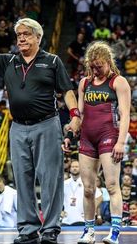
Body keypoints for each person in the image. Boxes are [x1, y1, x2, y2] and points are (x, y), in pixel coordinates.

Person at [0, 10, 80, 244]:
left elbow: (68, 91)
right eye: (19, 35)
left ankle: (51, 228)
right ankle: (28, 229)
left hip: (47, 124)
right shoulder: (9, 61)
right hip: (18, 128)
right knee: (22, 179)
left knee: (50, 178)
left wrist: (74, 115)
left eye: (26, 35)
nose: (21, 38)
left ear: (38, 38)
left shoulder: (52, 61)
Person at [77, 41, 131, 244]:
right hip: (87, 138)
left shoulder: (118, 82)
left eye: (99, 66)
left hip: (109, 137)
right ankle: (89, 231)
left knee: (111, 185)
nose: (95, 70)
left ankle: (114, 232)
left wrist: (120, 142)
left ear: (108, 62)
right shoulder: (84, 83)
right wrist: (70, 133)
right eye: (92, 66)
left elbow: (125, 115)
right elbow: (80, 113)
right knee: (88, 188)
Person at [61, 160, 102, 226]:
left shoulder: (86, 183)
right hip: (66, 220)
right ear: (70, 169)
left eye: (77, 166)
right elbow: (57, 199)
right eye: (73, 167)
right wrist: (59, 212)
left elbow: (99, 197)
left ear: (81, 168)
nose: (74, 168)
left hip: (82, 220)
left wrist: (90, 210)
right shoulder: (64, 183)